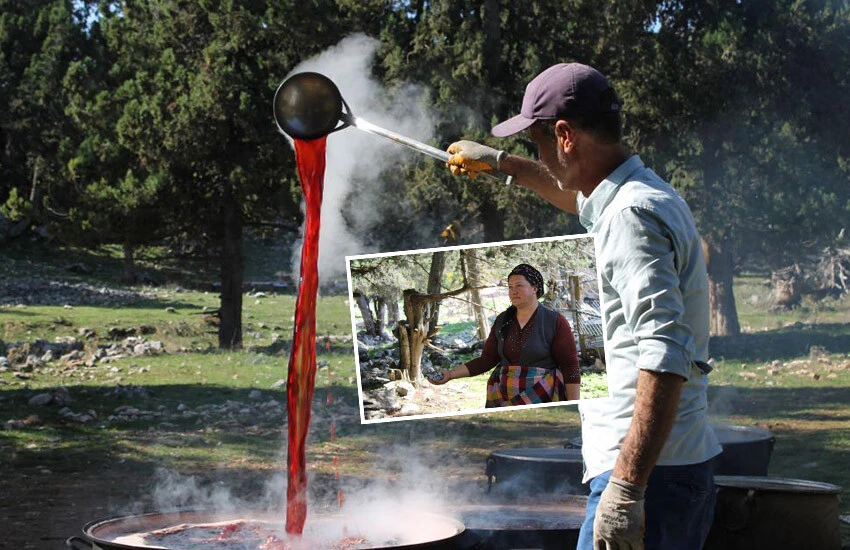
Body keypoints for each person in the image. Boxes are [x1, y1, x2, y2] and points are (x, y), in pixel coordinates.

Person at [444, 63, 722, 550]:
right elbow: (572, 196)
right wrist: (500, 162)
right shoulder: (635, 193)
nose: (541, 157)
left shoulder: (630, 217)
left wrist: (626, 490)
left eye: (539, 144)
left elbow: (665, 352)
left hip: (647, 480)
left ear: (565, 136)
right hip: (663, 472)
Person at [429, 263, 581, 405]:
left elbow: (570, 366)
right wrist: (450, 374)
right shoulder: (503, 321)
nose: (513, 291)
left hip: (543, 396)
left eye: (519, 285)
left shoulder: (554, 321)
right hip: (504, 398)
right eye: (510, 287)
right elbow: (487, 360)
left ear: (535, 288)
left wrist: (575, 404)